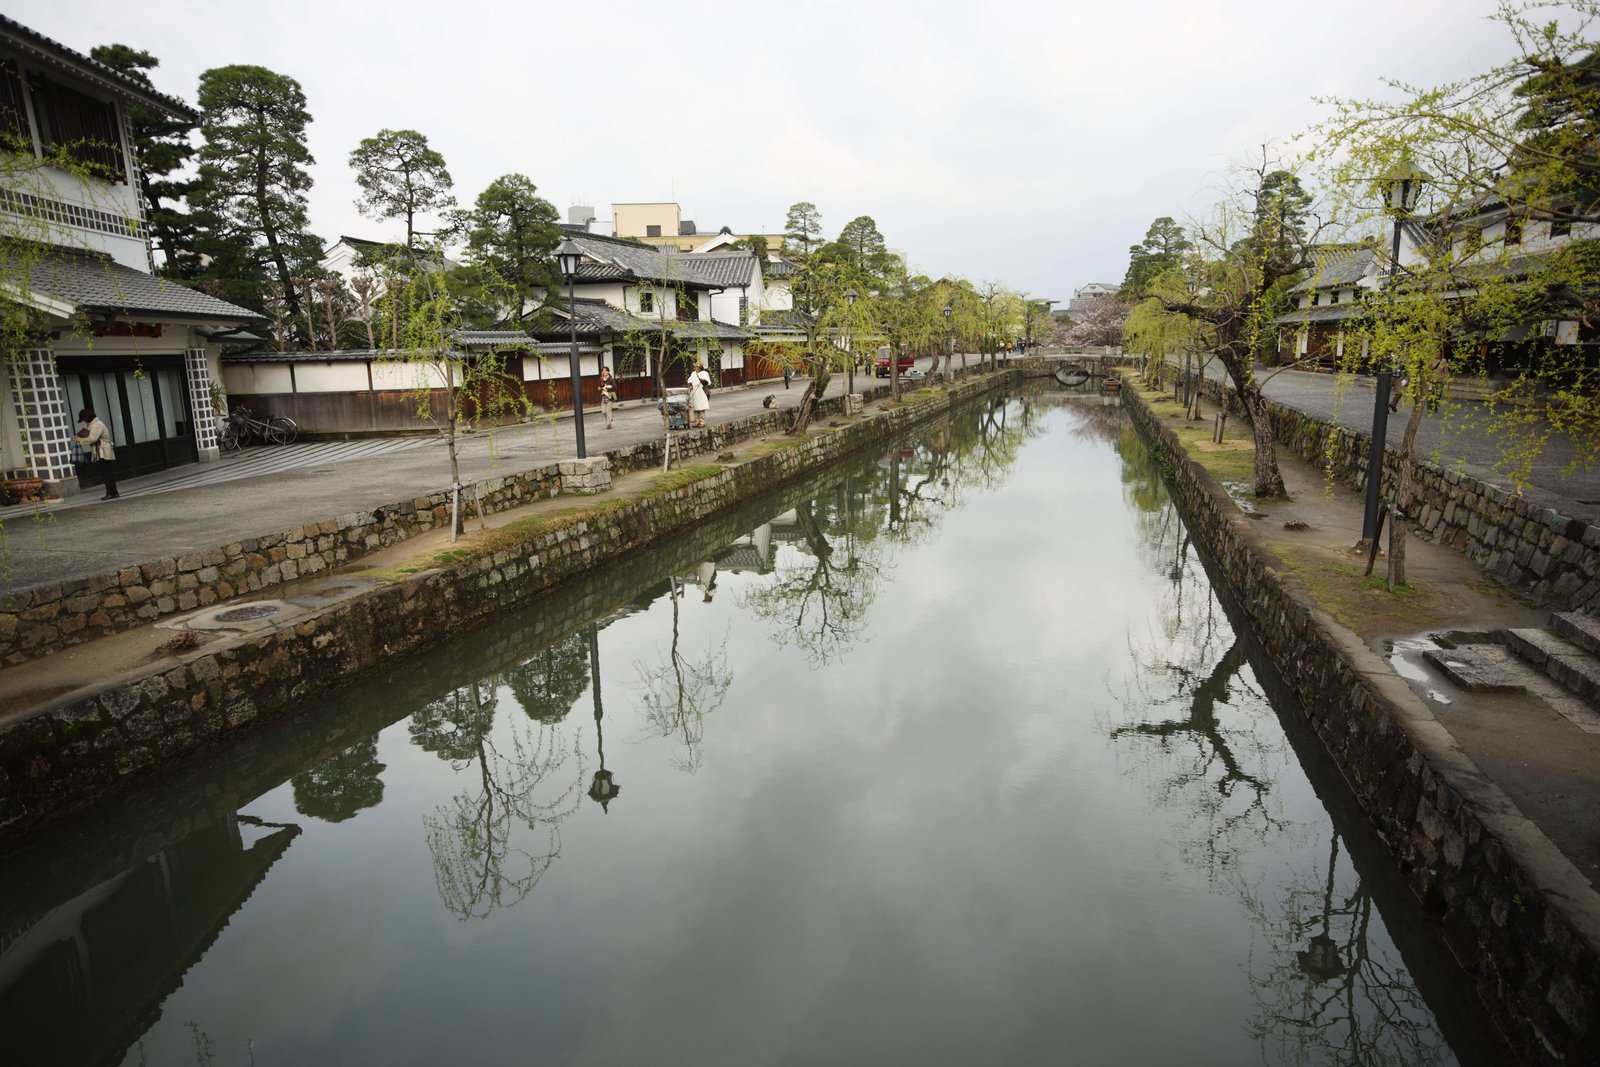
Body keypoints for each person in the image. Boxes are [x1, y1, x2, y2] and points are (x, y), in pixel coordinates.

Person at [75, 407, 118, 499]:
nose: (84, 422)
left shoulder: (96, 424)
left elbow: (93, 438)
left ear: (87, 418)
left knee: (106, 473)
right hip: (101, 451)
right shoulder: (93, 424)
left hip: (103, 451)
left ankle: (111, 493)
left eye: (84, 420)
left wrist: (80, 440)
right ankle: (113, 492)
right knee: (107, 473)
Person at [688, 362, 711, 428]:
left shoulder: (705, 373)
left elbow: (708, 382)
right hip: (695, 392)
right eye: (695, 367)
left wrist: (702, 380)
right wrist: (690, 385)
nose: (695, 368)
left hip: (701, 392)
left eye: (697, 367)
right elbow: (690, 380)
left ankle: (702, 422)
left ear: (700, 368)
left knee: (701, 407)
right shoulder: (693, 373)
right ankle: (697, 422)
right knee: (695, 408)